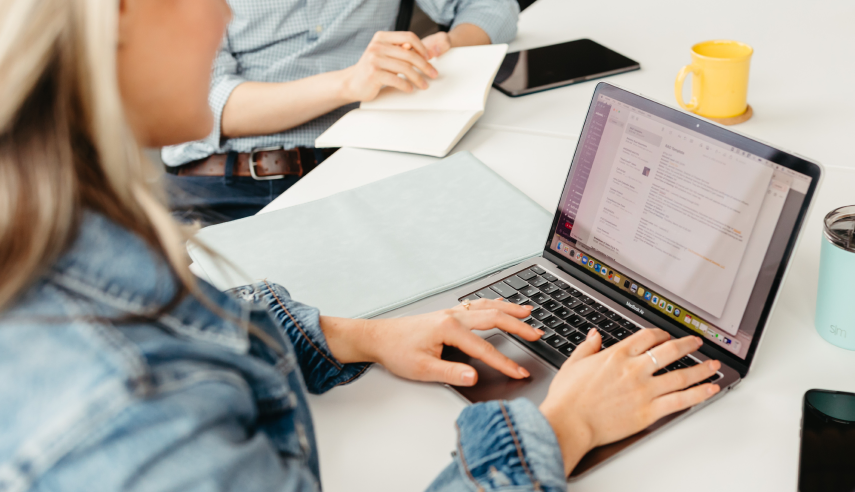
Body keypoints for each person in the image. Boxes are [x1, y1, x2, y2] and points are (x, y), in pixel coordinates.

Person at [0, 0, 722, 490]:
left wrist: (357, 335)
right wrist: (563, 429)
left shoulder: (61, 233)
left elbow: (193, 316)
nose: (224, 13)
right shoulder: (126, 405)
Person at [160, 0, 519, 224]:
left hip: (356, 167)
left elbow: (493, 7)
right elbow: (199, 104)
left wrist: (448, 45)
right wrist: (347, 83)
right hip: (224, 185)